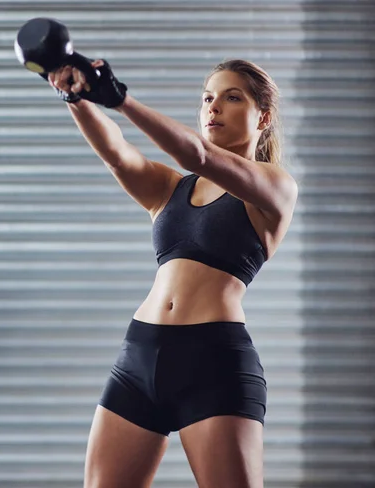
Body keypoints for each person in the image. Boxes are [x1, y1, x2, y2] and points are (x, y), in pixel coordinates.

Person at [46, 58, 298, 488]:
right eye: (207, 98)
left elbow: (195, 154)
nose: (213, 107)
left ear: (264, 117)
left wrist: (121, 99)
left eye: (232, 97)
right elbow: (118, 156)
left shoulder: (274, 188)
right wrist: (76, 97)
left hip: (213, 362)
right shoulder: (171, 189)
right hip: (138, 357)